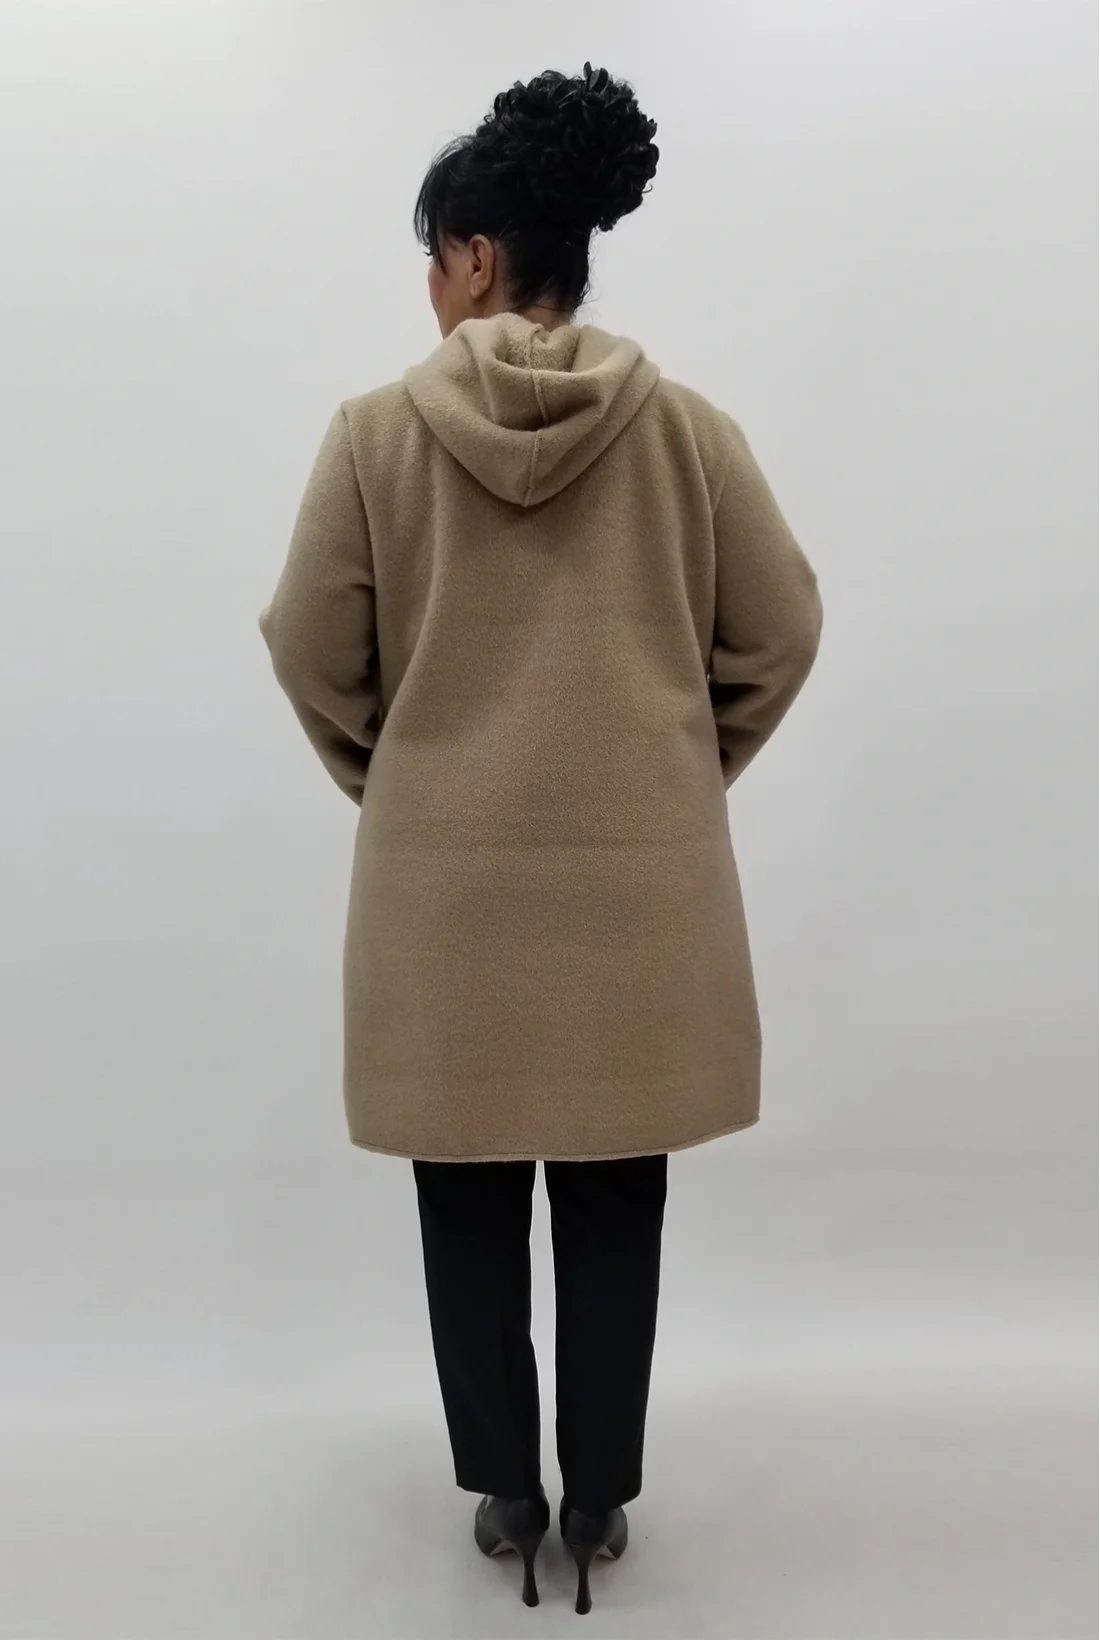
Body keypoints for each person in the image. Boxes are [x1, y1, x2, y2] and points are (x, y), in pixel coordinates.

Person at [260, 62, 822, 1616]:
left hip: (445, 905)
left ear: (479, 255)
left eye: (433, 257)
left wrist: (400, 779)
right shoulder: (689, 436)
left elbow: (307, 646)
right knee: (615, 1193)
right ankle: (604, 1498)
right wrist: (678, 771)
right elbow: (781, 631)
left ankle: (507, 1492)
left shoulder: (375, 436)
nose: (431, 287)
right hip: (639, 900)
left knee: (466, 1196)